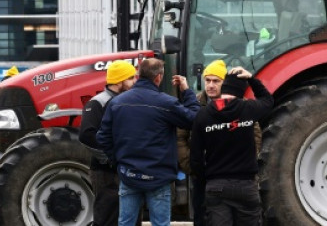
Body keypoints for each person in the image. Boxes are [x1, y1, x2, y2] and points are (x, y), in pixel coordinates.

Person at [97, 58, 199, 226]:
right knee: (160, 223)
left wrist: (118, 161)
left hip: (129, 174)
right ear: (158, 77)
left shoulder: (116, 103)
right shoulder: (166, 103)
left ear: (138, 75)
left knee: (126, 223)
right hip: (158, 176)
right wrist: (186, 91)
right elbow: (194, 119)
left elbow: (103, 137)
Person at [189, 67, 273, 226]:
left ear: (224, 87)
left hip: (216, 186)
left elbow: (195, 157)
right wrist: (251, 79)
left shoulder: (203, 115)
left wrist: (205, 178)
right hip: (246, 185)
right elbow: (268, 100)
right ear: (241, 92)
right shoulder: (248, 109)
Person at [79, 60, 137, 226]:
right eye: (131, 78)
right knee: (108, 216)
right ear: (119, 81)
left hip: (126, 169)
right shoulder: (97, 103)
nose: (135, 82)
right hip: (106, 173)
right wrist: (111, 158)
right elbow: (87, 135)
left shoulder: (127, 101)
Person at [177, 59, 227, 226]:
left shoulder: (235, 104)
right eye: (208, 80)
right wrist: (190, 164)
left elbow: (253, 133)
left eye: (216, 81)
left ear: (223, 83)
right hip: (200, 174)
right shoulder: (195, 103)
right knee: (201, 215)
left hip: (227, 173)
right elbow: (180, 136)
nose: (211, 85)